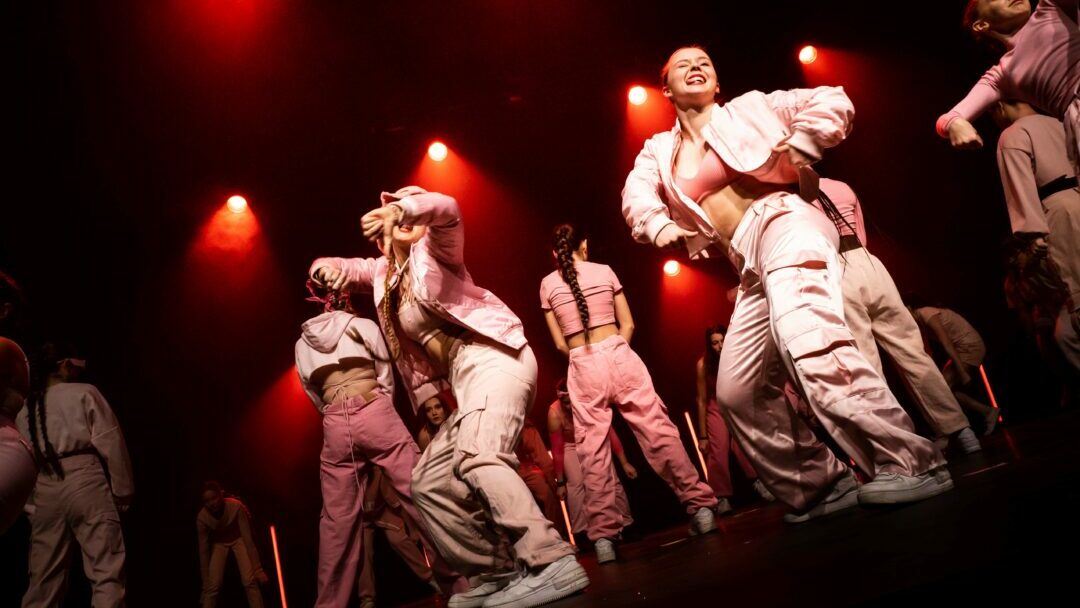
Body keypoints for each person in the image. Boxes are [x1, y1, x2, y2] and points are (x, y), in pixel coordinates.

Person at [621, 45, 951, 523]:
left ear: (717, 84)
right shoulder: (658, 150)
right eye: (682, 64)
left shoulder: (753, 107)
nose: (696, 67)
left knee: (810, 341)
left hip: (786, 223)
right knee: (738, 392)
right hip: (748, 261)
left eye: (706, 63)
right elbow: (634, 192)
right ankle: (821, 483)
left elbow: (833, 99)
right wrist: (657, 224)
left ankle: (912, 461)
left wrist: (805, 141)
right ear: (665, 86)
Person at [309, 187, 587, 608]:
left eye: (403, 213)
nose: (396, 221)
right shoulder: (385, 274)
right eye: (390, 215)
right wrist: (324, 270)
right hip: (465, 377)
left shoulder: (436, 251)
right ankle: (496, 570)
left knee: (480, 455)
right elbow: (342, 267)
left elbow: (449, 210)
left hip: (495, 358)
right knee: (429, 480)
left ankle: (550, 560)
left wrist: (406, 209)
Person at [539, 223, 718, 563]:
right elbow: (630, 324)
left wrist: (586, 357)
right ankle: (701, 508)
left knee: (592, 451)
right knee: (659, 433)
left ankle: (605, 538)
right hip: (620, 354)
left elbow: (560, 342)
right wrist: (615, 351)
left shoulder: (548, 284)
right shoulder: (604, 270)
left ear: (555, 254)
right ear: (585, 246)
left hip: (583, 363)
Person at [295, 282, 460, 606]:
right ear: (347, 300)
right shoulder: (362, 326)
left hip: (335, 423)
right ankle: (460, 584)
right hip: (373, 410)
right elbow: (385, 374)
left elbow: (311, 392)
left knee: (336, 525)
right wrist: (376, 408)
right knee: (422, 496)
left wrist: (337, 416)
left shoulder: (303, 343)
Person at [812, 179, 984, 454]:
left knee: (866, 363)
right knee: (913, 353)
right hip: (869, 263)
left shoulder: (797, 199)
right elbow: (862, 233)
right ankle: (959, 429)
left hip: (838, 269)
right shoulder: (842, 186)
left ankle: (898, 444)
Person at [18, 346, 134, 607]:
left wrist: (31, 507)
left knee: (43, 582)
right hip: (84, 477)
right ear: (63, 364)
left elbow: (22, 462)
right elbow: (110, 441)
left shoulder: (26, 408)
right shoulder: (84, 392)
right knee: (106, 572)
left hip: (44, 486)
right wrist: (123, 489)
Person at [938, 0, 1080, 175]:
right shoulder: (1002, 74)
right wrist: (955, 123)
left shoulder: (1050, 8)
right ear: (981, 24)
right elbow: (948, 118)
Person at [989, 99, 1080, 373]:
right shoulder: (1061, 122)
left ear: (1000, 106)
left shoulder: (1013, 134)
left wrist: (1033, 232)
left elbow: (1019, 184)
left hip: (1059, 211)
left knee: (1076, 297)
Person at [696, 324, 776, 512]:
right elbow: (701, 400)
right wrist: (702, 435)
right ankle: (721, 496)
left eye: (722, 341)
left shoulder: (736, 356)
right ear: (709, 345)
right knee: (719, 448)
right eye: (715, 343)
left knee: (742, 444)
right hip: (715, 406)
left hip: (735, 403)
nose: (720, 346)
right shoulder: (703, 365)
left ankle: (759, 481)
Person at [547, 379, 635, 544]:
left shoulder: (589, 403)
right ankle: (582, 533)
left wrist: (624, 463)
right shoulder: (554, 413)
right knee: (577, 483)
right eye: (565, 403)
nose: (569, 406)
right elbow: (557, 449)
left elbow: (610, 433)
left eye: (571, 402)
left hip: (592, 437)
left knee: (611, 478)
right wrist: (560, 482)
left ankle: (626, 524)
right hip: (570, 444)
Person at [358, 466, 442, 608]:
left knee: (398, 540)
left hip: (383, 510)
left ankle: (431, 578)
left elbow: (396, 504)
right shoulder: (349, 475)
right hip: (361, 518)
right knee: (364, 551)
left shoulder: (378, 473)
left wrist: (412, 528)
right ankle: (366, 599)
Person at [909, 305, 999, 435]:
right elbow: (928, 351)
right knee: (943, 389)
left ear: (908, 307)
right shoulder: (920, 323)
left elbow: (947, 343)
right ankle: (987, 412)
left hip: (969, 346)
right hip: (960, 349)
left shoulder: (926, 314)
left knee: (942, 388)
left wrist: (962, 372)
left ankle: (954, 430)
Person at [196, 482, 268, 608]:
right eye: (207, 501)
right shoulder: (202, 518)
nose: (212, 503)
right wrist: (205, 583)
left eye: (214, 498)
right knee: (212, 586)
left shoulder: (236, 507)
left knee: (249, 580)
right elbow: (204, 552)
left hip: (239, 538)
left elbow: (248, 540)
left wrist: (258, 570)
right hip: (219, 542)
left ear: (221, 495)